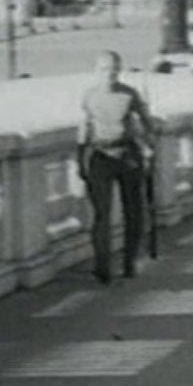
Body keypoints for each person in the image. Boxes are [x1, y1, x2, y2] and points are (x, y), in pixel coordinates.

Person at [77, 51, 156, 284]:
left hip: (128, 155)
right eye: (104, 69)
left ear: (119, 70)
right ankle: (102, 266)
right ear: (96, 71)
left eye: (113, 69)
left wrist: (149, 147)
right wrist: (80, 158)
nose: (109, 74)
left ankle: (129, 261)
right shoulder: (89, 96)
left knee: (134, 211)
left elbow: (146, 122)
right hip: (100, 156)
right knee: (102, 214)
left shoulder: (129, 94)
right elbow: (84, 128)